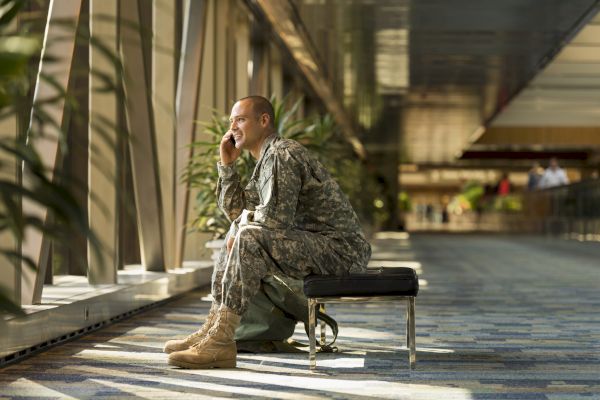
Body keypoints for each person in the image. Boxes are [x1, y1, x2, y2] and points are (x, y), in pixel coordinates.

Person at [164, 96, 371, 369]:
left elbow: (274, 221)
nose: (233, 127)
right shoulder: (265, 160)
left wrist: (241, 227)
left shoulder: (282, 154)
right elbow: (237, 212)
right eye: (231, 121)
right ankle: (213, 331)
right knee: (238, 230)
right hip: (317, 246)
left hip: (340, 251)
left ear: (264, 121)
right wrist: (227, 166)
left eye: (240, 120)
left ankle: (221, 341)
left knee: (247, 235)